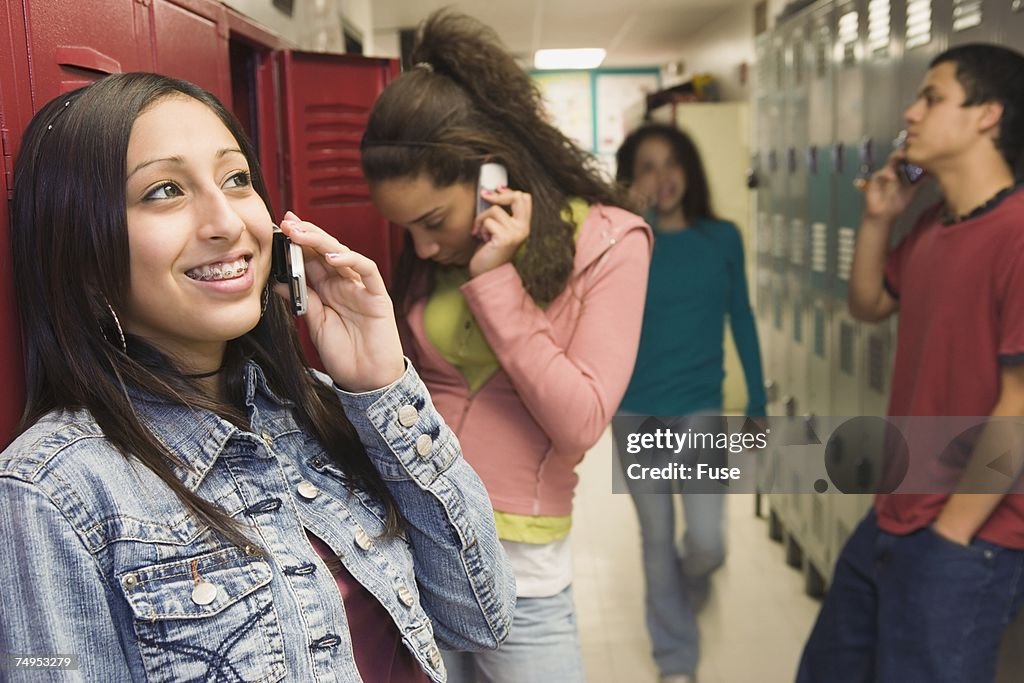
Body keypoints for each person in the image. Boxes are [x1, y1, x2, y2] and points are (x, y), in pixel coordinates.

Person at [0, 72, 516, 682]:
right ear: (83, 250)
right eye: (165, 190)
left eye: (236, 179)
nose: (226, 222)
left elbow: (479, 618)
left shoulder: (323, 411)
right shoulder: (53, 492)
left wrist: (382, 387)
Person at [359, 10, 652, 682]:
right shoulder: (431, 250)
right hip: (418, 549)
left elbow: (579, 420)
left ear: (493, 175)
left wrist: (496, 282)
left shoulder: (611, 241)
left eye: (433, 221)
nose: (424, 248)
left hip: (521, 571)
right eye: (408, 229)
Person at [798, 43, 1024, 682]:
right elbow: (869, 304)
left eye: (932, 97)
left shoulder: (1016, 234)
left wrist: (951, 537)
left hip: (969, 533)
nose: (911, 111)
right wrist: (879, 220)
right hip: (895, 515)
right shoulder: (933, 227)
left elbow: (1020, 407)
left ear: (988, 115)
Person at [611, 123, 766, 683]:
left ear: (690, 170)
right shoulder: (625, 243)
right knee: (655, 537)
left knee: (707, 541)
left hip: (701, 408)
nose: (662, 177)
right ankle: (676, 659)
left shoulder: (722, 238)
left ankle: (689, 582)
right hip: (636, 410)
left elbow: (742, 318)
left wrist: (758, 397)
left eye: (672, 162)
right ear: (630, 179)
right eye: (646, 166)